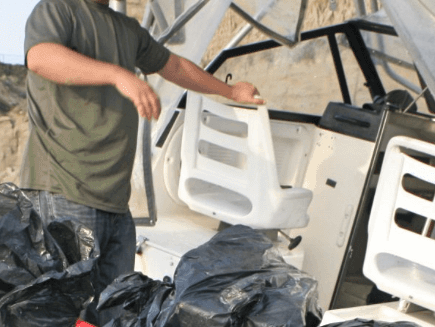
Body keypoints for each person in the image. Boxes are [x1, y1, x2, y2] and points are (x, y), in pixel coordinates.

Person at [20, 0, 264, 281]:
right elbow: (41, 57)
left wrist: (231, 92)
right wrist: (118, 75)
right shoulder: (57, 9)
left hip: (115, 201)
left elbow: (173, 66)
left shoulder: (127, 29)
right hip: (63, 190)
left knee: (110, 308)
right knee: (64, 304)